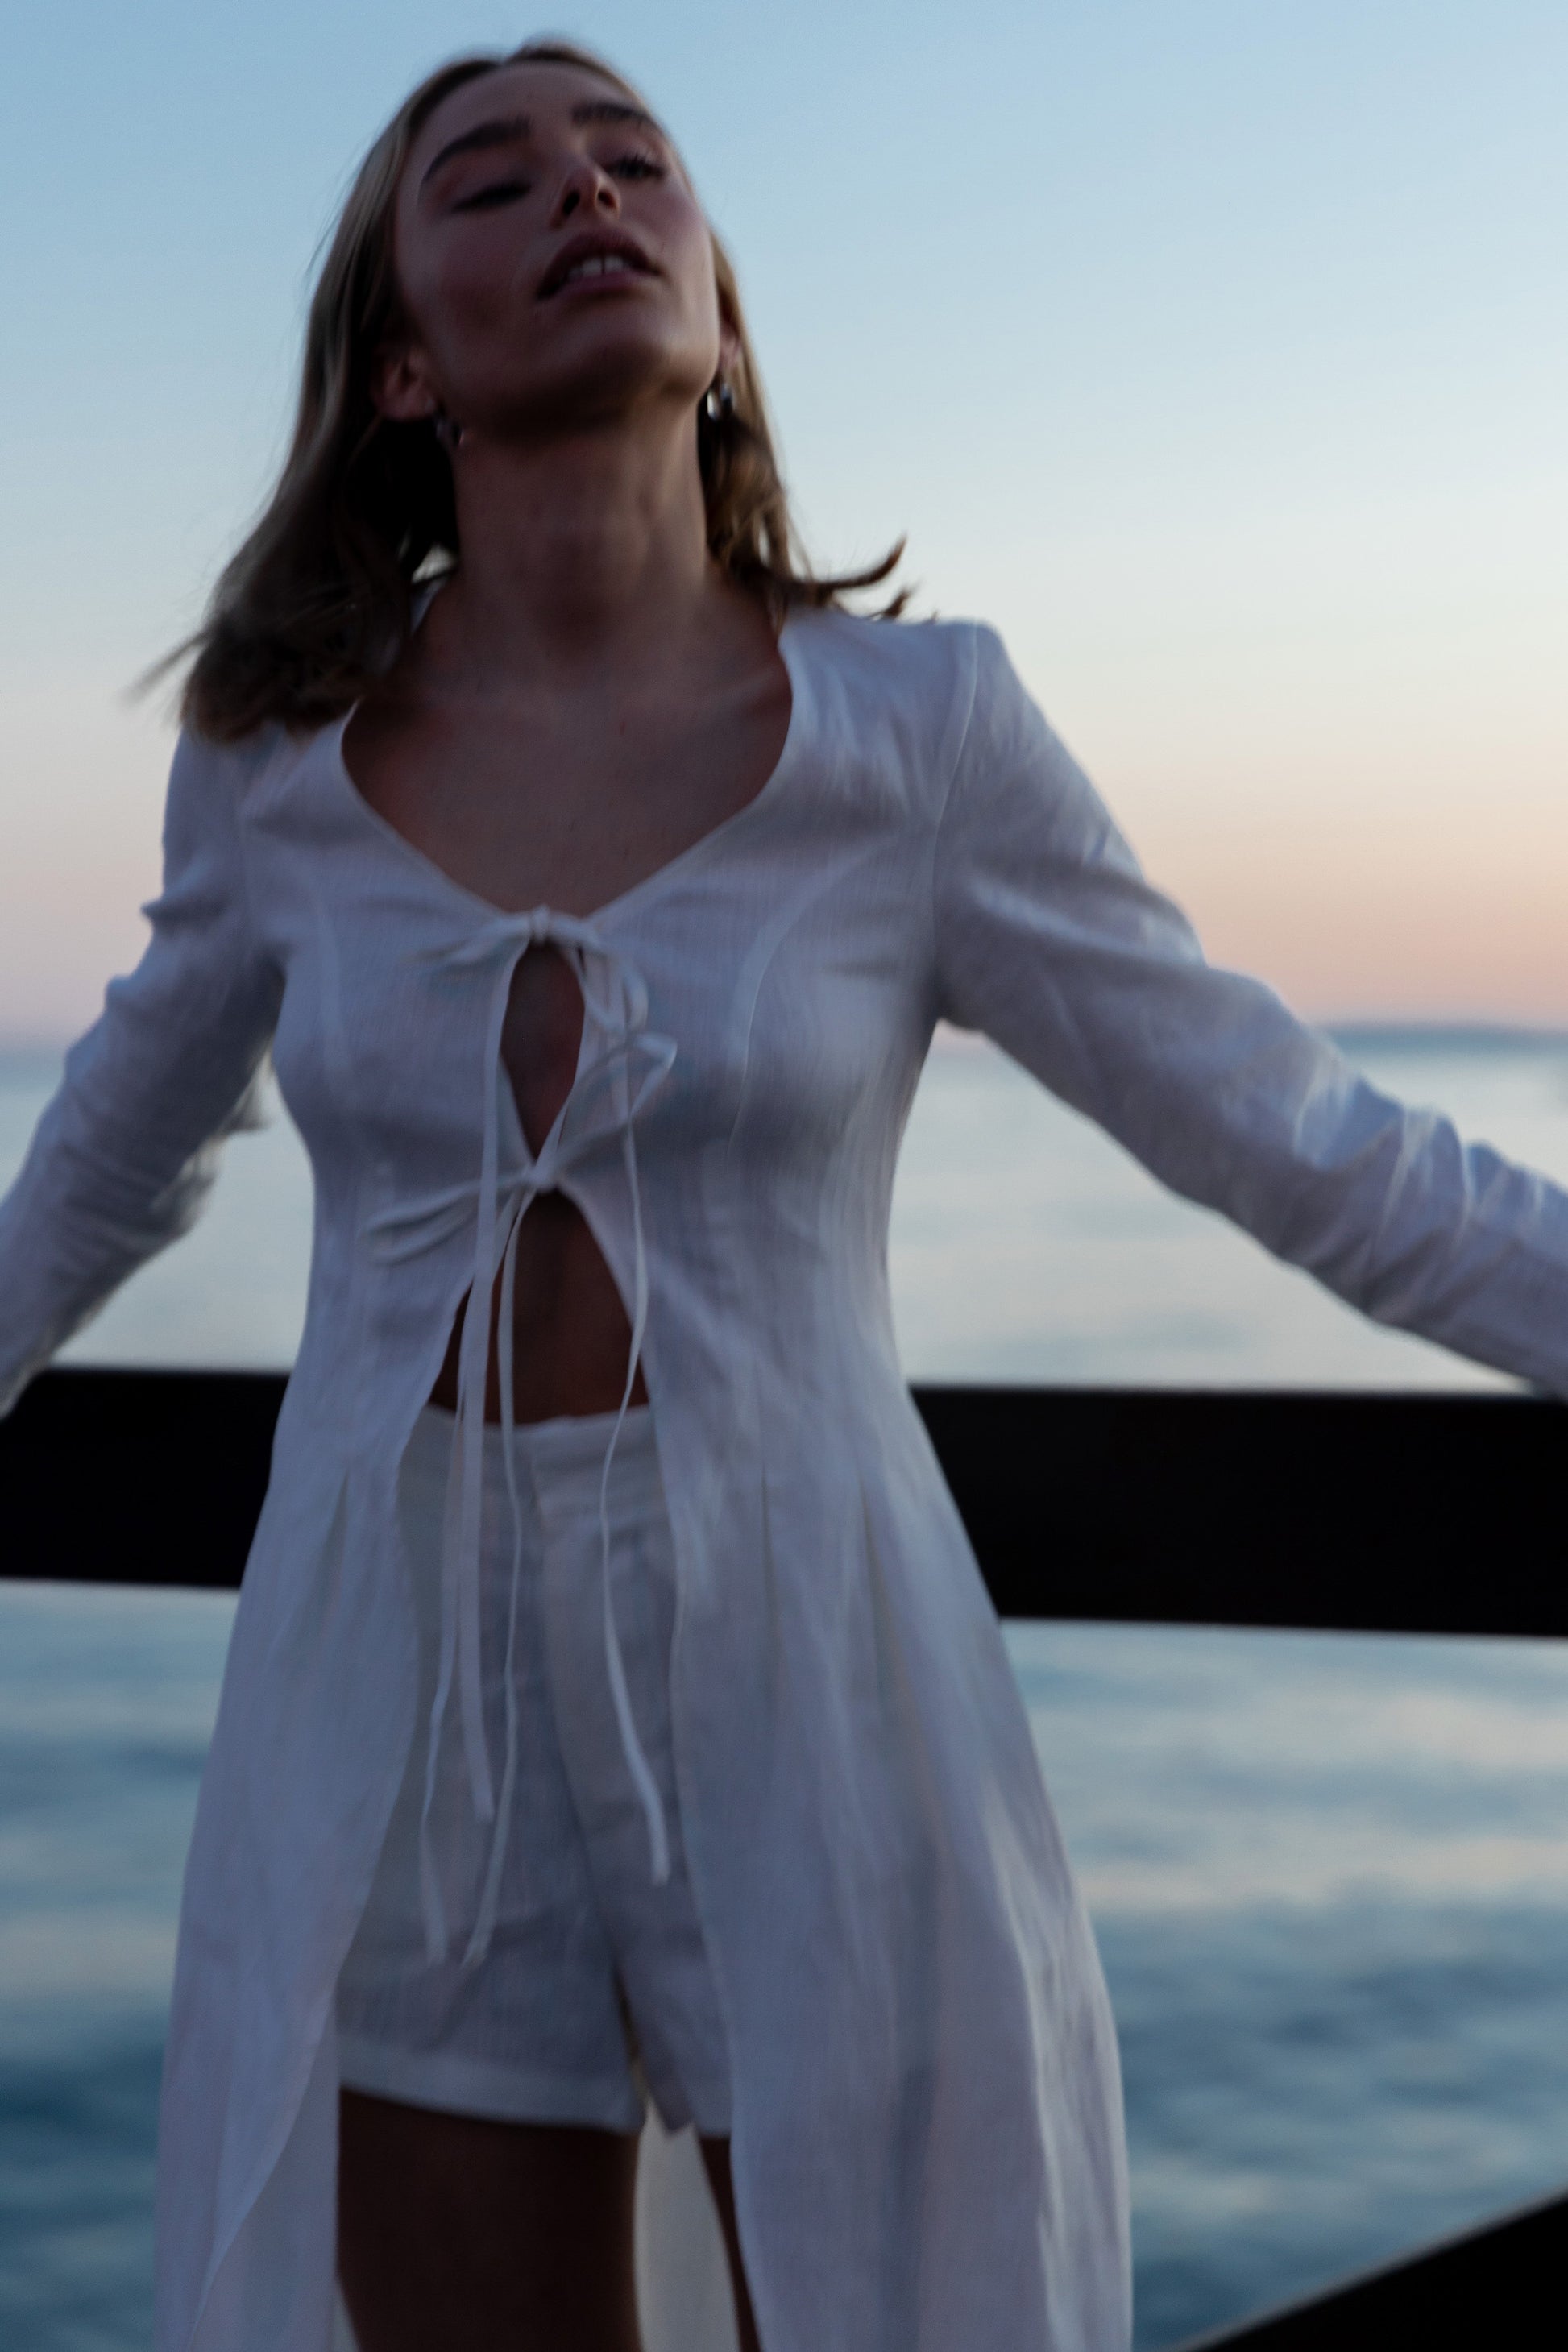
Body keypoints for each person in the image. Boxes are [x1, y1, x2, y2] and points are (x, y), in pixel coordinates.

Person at [2, 35, 1566, 2352]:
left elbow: (1299, 1139)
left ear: (720, 314)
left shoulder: (920, 740)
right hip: (395, 1682)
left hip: (813, 1656)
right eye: (493, 178)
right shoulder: (275, 773)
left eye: (634, 161)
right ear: (402, 364)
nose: (585, 191)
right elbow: (96, 1172)